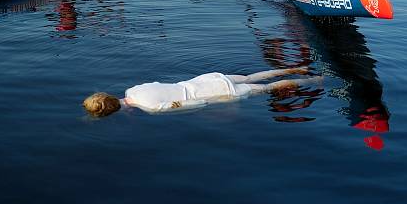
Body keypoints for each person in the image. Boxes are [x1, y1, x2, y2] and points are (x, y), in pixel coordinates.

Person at [82, 67, 320, 117]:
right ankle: (296, 68)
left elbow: (191, 106)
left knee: (266, 89)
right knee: (252, 76)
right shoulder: (133, 89)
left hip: (212, 94)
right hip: (204, 80)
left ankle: (317, 79)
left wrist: (217, 106)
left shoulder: (150, 109)